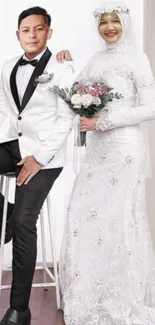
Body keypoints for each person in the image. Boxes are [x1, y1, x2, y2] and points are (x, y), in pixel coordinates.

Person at [58, 2, 155, 324]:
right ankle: (92, 292)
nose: (109, 27)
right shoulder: (96, 59)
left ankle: (121, 296)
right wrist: (66, 67)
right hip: (97, 151)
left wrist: (103, 121)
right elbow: (75, 96)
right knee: (84, 214)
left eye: (115, 20)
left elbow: (151, 107)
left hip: (125, 149)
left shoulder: (136, 59)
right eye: (103, 22)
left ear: (125, 23)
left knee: (118, 218)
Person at [0, 6, 74, 325]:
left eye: (38, 29)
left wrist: (39, 157)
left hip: (47, 156)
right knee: (14, 219)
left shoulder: (62, 68)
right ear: (18, 35)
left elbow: (66, 118)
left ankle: (20, 309)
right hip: (16, 145)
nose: (32, 34)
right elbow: (7, 110)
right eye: (25, 30)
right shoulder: (6, 67)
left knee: (24, 223)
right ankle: (4, 216)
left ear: (49, 33)